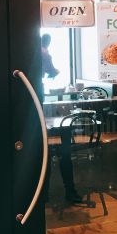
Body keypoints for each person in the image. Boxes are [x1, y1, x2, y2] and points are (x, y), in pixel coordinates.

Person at [40, 33, 83, 203]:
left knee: (45, 156)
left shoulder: (35, 52)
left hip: (44, 124)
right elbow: (52, 71)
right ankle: (69, 192)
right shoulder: (44, 52)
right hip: (54, 127)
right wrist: (54, 71)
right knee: (64, 155)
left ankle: (44, 195)